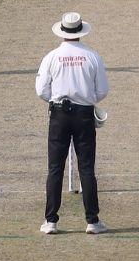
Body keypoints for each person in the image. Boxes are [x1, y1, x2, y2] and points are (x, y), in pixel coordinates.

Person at [36, 12, 110, 235]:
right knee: (86, 168)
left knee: (55, 168)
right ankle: (92, 221)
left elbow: (42, 90)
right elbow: (102, 91)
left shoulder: (52, 56)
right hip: (84, 115)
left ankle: (51, 221)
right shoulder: (92, 56)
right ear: (80, 32)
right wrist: (86, 99)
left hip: (59, 114)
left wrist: (56, 100)